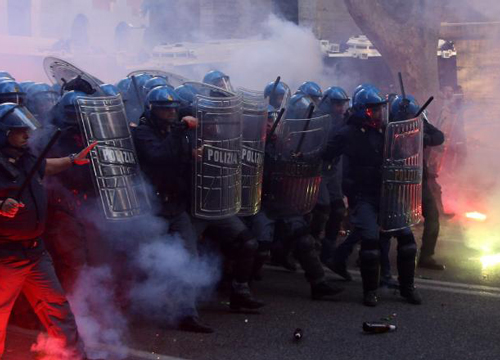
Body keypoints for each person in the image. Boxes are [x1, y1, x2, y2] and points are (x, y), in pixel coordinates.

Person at [0, 102, 98, 360]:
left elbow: (45, 167)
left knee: (58, 309)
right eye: (18, 130)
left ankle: (75, 356)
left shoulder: (26, 158)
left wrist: (72, 160)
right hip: (5, 256)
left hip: (35, 252)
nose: (26, 135)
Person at [323, 85, 422, 307]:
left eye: (380, 109)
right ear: (362, 110)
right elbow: (327, 154)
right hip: (364, 195)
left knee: (407, 242)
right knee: (370, 243)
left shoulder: (387, 131)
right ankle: (370, 291)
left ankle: (407, 288)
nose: (379, 113)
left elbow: (407, 151)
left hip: (388, 194)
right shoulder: (347, 133)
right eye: (374, 110)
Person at [133, 85, 215, 333]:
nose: (171, 113)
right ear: (153, 110)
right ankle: (140, 304)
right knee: (153, 262)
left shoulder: (174, 132)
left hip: (176, 206)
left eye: (173, 109)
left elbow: (176, 157)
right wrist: (180, 130)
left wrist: (192, 155)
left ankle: (186, 314)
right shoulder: (143, 132)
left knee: (188, 259)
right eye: (165, 109)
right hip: (153, 208)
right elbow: (158, 156)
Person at [309, 86, 350, 268]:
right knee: (322, 207)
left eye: (342, 104)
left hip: (333, 170)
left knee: (339, 209)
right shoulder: (318, 119)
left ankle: (328, 248)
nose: (340, 108)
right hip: (318, 168)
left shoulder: (343, 120)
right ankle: (311, 241)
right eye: (337, 104)